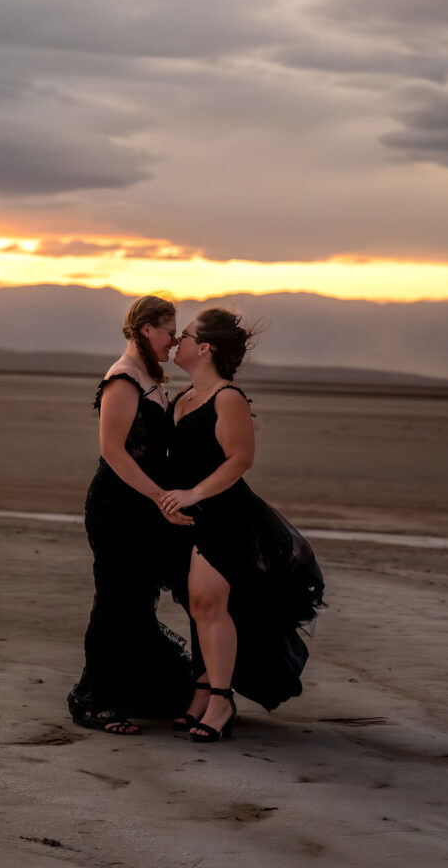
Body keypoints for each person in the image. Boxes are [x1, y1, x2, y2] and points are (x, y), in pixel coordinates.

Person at [160, 308, 326, 743]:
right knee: (198, 605)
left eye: (185, 335)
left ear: (205, 347)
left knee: (209, 604)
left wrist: (193, 495)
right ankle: (203, 689)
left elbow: (240, 460)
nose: (177, 341)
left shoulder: (227, 397)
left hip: (225, 516)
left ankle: (221, 702)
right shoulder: (184, 397)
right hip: (188, 518)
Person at [68, 295, 195, 734]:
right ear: (146, 329)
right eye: (169, 332)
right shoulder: (122, 379)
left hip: (143, 506)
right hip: (116, 507)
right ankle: (97, 704)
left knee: (138, 601)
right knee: (115, 600)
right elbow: (112, 452)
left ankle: (134, 693)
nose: (174, 341)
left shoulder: (151, 378)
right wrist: (161, 497)